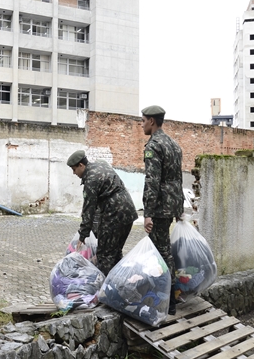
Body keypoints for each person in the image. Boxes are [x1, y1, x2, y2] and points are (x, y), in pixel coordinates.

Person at [141, 105, 184, 315]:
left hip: (159, 207)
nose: (142, 125)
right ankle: (168, 295)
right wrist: (180, 205)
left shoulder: (154, 145)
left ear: (151, 121)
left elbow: (152, 181)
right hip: (172, 203)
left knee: (161, 251)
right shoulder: (174, 145)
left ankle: (168, 299)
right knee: (164, 248)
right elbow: (178, 177)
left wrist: (147, 212)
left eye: (143, 121)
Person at [66, 150, 138, 276]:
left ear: (81, 165)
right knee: (115, 252)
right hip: (129, 212)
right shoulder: (101, 166)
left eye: (74, 169)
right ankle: (120, 283)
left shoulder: (91, 179)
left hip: (114, 215)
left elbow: (89, 210)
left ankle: (104, 291)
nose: (74, 173)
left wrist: (82, 236)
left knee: (105, 256)